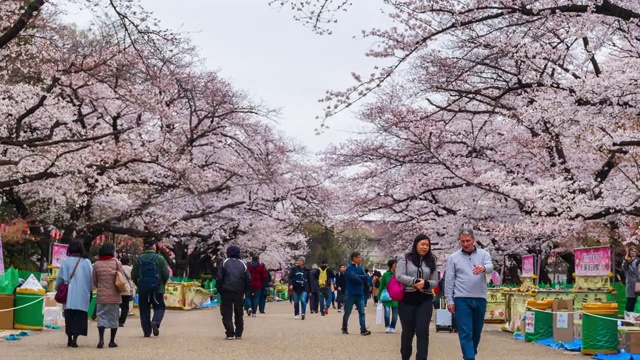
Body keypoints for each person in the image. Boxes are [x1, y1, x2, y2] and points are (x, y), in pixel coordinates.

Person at [445, 228, 494, 360]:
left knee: (476, 332)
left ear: (473, 240)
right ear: (459, 241)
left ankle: (470, 353)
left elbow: (490, 266)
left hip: (480, 297)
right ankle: (470, 357)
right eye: (462, 241)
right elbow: (449, 280)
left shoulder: (484, 254)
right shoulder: (453, 257)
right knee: (465, 331)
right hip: (461, 298)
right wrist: (449, 300)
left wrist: (483, 268)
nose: (465, 244)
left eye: (468, 241)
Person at [396, 234, 439, 360]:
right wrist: (414, 281)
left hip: (424, 300)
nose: (425, 247)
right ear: (416, 245)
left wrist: (425, 283)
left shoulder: (432, 260)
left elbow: (435, 281)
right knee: (408, 332)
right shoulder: (405, 258)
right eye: (422, 244)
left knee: (422, 331)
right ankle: (405, 356)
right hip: (407, 300)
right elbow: (399, 276)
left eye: (427, 245)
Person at [55, 240, 93, 348]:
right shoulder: (87, 262)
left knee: (69, 316)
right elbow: (91, 280)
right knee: (80, 317)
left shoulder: (66, 262)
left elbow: (60, 278)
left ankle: (69, 337)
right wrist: (90, 290)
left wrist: (58, 288)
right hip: (83, 293)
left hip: (69, 294)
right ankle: (75, 338)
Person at [131, 239, 170, 338]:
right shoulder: (160, 259)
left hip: (143, 289)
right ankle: (155, 322)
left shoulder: (138, 259)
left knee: (144, 309)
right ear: (154, 248)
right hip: (157, 289)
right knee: (159, 307)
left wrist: (139, 284)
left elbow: (133, 275)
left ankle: (146, 331)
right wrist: (162, 284)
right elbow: (166, 274)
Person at [216, 245, 251, 340]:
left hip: (226, 290)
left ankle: (230, 333)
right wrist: (245, 290)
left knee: (226, 312)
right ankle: (239, 332)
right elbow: (248, 279)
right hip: (239, 291)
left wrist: (220, 289)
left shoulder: (224, 262)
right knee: (239, 311)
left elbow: (219, 277)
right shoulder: (242, 263)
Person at [92, 243, 124, 348]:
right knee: (114, 318)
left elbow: (95, 280)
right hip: (114, 295)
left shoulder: (96, 264)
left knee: (101, 317)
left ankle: (101, 339)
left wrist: (100, 286)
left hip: (101, 296)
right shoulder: (116, 263)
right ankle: (111, 341)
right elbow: (121, 277)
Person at [341, 252, 371, 336]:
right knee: (348, 312)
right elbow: (354, 278)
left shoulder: (361, 268)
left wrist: (360, 277)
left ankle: (363, 329)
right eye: (359, 257)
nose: (360, 259)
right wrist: (361, 278)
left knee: (362, 312)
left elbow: (366, 278)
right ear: (354, 258)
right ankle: (344, 327)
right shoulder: (349, 268)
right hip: (351, 293)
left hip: (360, 293)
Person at [378, 259, 399, 333]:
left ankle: (393, 326)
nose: (396, 265)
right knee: (387, 312)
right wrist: (379, 296)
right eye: (394, 264)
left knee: (395, 314)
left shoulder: (399, 274)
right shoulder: (386, 275)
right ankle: (387, 326)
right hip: (387, 296)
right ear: (390, 265)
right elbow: (381, 285)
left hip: (396, 296)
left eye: (396, 264)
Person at [623, 245, 640, 313]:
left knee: (634, 301)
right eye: (631, 251)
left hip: (638, 283)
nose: (633, 252)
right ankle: (628, 319)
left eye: (634, 250)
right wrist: (627, 256)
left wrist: (637, 252)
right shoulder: (626, 262)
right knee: (630, 302)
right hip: (631, 285)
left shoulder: (637, 260)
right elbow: (624, 267)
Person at [119, 254, 133, 327]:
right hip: (126, 289)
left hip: (118, 288)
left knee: (118, 305)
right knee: (125, 306)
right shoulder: (130, 269)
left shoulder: (118, 268)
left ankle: (116, 319)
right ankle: (121, 321)